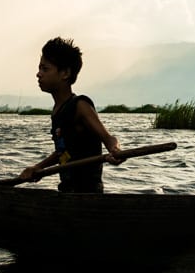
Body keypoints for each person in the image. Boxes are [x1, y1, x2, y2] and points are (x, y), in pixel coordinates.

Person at [18, 37, 122, 193]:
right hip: (67, 190)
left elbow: (108, 138)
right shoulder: (57, 111)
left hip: (87, 194)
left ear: (65, 73)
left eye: (45, 69)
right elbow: (63, 152)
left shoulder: (80, 106)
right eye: (39, 69)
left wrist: (115, 151)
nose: (38, 74)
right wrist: (37, 168)